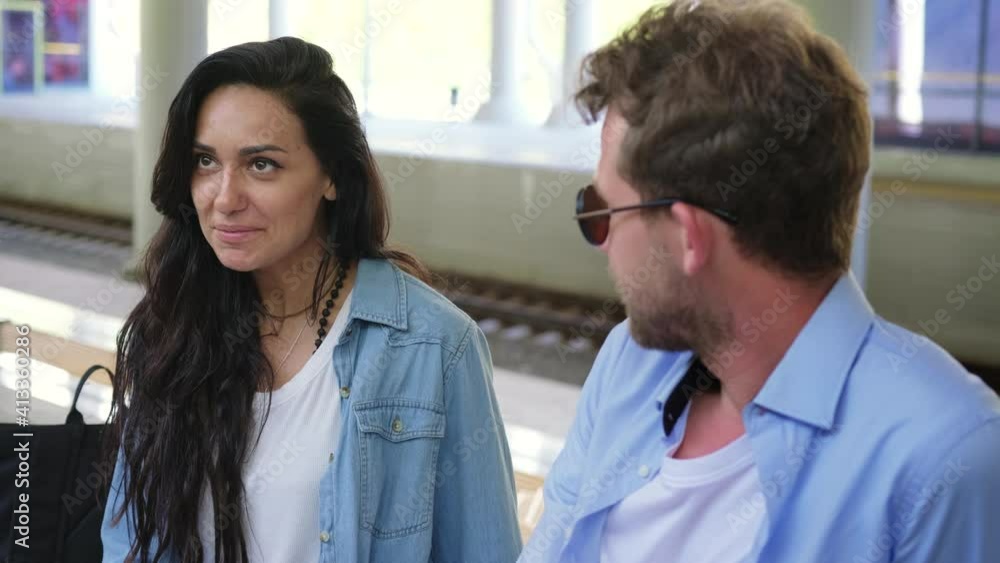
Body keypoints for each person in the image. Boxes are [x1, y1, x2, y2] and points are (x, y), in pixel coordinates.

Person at [519, 1, 1000, 562]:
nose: (601, 241)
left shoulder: (947, 459)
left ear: (686, 237)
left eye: (600, 210)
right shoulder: (628, 364)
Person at [100, 37, 522, 563]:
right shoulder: (172, 325)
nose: (225, 198)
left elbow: (485, 551)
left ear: (332, 176)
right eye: (206, 161)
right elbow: (129, 539)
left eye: (262, 165)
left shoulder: (435, 347)